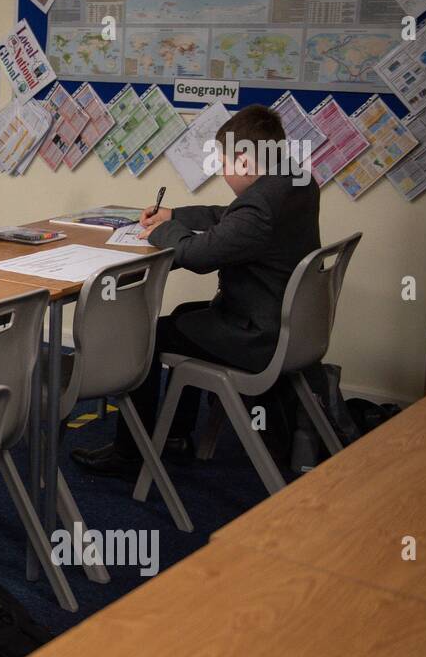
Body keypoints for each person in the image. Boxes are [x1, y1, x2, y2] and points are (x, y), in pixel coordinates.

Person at [72, 104, 321, 479]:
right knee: (187, 316)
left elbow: (196, 255)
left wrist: (160, 233)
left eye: (223, 164)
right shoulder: (295, 181)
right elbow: (230, 215)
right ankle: (175, 435)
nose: (222, 172)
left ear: (244, 160)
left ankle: (129, 452)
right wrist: (176, 216)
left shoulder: (262, 205)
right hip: (289, 323)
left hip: (258, 336)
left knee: (151, 334)